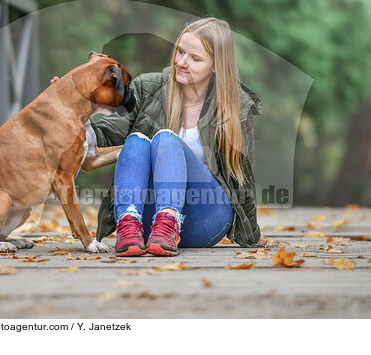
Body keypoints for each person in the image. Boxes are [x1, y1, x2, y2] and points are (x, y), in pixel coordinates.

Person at [51, 17, 267, 257]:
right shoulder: (148, 88)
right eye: (180, 52)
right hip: (147, 221)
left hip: (206, 215)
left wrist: (252, 233)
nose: (182, 62)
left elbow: (242, 175)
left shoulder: (236, 106)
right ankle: (128, 223)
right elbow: (101, 139)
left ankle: (169, 222)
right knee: (136, 141)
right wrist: (77, 107)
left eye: (195, 59)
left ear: (216, 66)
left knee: (165, 139)